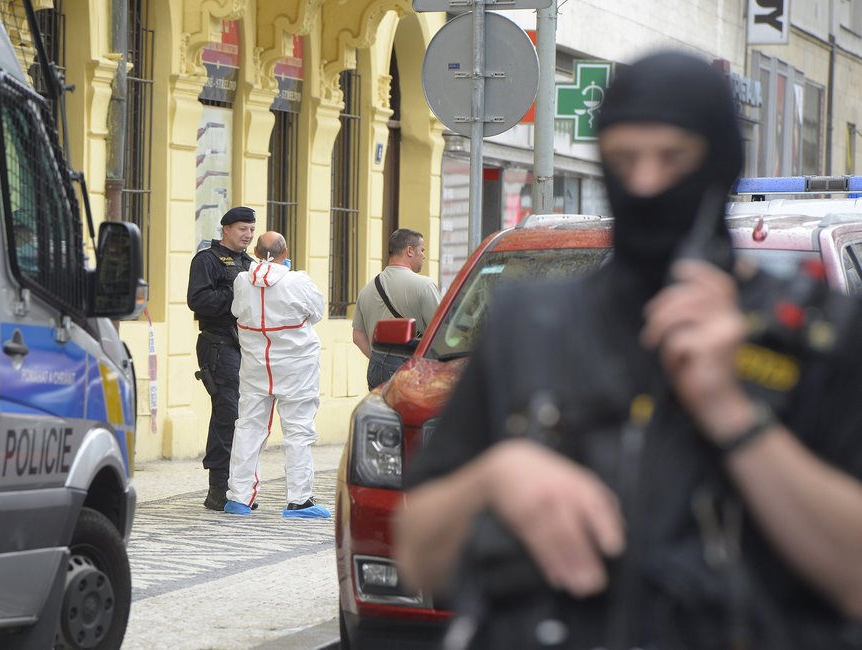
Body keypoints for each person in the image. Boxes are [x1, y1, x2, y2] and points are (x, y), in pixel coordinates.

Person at [393, 51, 862, 650]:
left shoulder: (817, 337)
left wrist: (735, 417)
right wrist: (493, 476)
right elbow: (418, 558)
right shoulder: (530, 327)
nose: (644, 182)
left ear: (720, 163)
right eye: (624, 158)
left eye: (673, 158)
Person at [222, 231, 330, 518]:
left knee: (248, 428)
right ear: (285, 253)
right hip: (296, 367)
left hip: (257, 365)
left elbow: (236, 311)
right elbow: (317, 312)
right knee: (298, 430)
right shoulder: (298, 281)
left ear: (257, 252)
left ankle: (239, 497)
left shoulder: (242, 280)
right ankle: (299, 500)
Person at [187, 206, 255, 510]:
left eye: (252, 230)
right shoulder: (208, 260)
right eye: (242, 229)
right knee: (227, 413)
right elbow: (198, 300)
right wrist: (236, 295)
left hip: (245, 347)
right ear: (226, 229)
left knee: (245, 416)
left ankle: (238, 487)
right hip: (218, 344)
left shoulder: (250, 263)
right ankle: (218, 488)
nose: (248, 235)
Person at [352, 228, 441, 390]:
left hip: (376, 369)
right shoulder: (424, 286)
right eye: (422, 250)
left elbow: (357, 337)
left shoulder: (366, 290)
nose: (424, 256)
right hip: (408, 370)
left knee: (380, 414)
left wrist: (380, 359)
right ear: (409, 250)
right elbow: (441, 334)